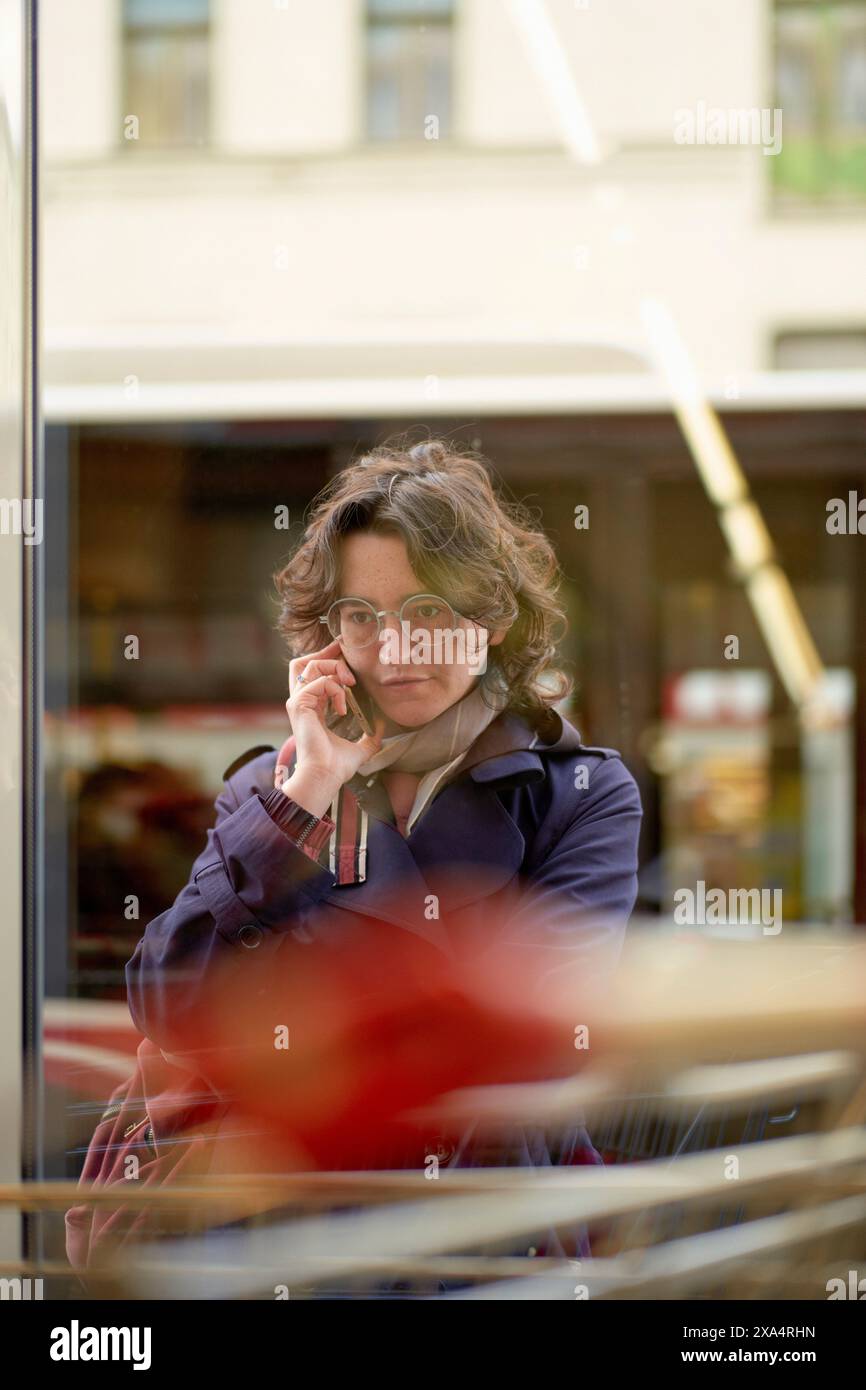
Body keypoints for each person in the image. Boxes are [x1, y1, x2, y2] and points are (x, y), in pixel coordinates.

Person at [124, 437, 643, 1289]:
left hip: (485, 1244)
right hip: (274, 1244)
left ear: (495, 621)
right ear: (327, 638)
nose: (395, 649)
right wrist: (311, 793)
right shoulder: (275, 788)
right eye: (362, 616)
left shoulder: (576, 791)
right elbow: (171, 1006)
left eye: (430, 611)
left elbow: (542, 1040)